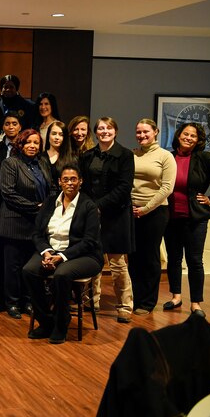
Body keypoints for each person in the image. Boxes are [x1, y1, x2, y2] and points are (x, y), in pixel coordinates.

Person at [23, 164, 103, 344]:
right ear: (59, 182)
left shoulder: (88, 206)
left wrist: (62, 257)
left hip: (84, 255)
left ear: (80, 181)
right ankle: (46, 321)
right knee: (29, 271)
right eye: (65, 179)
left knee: (61, 274)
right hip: (51, 251)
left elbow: (89, 241)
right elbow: (37, 233)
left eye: (73, 179)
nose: (69, 183)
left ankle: (61, 324)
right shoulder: (50, 202)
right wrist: (47, 252)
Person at [164, 122, 210, 318]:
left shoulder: (204, 157)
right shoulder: (168, 157)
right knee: (174, 259)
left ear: (198, 140)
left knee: (194, 261)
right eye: (185, 134)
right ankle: (176, 297)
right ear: (178, 135)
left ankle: (196, 303)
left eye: (193, 136)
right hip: (170, 217)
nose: (188, 138)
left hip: (195, 218)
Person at [79, 117, 135, 323]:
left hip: (116, 215)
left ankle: (124, 305)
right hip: (92, 215)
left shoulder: (125, 155)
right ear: (95, 132)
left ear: (116, 131)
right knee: (94, 259)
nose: (104, 131)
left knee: (118, 263)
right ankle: (90, 301)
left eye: (108, 128)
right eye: (100, 128)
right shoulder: (87, 156)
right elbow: (83, 185)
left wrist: (99, 205)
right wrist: (89, 208)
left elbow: (124, 187)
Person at [0, 128, 52, 319]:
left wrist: (45, 208)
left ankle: (29, 300)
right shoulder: (10, 163)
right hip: (15, 222)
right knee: (12, 267)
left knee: (31, 267)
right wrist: (36, 207)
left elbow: (50, 189)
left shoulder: (42, 163)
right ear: (20, 144)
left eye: (36, 143)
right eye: (28, 142)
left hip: (36, 224)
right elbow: (8, 194)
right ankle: (12, 303)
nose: (32, 146)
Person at [130, 118, 176, 315]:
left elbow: (167, 188)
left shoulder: (165, 156)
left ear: (156, 131)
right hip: (132, 211)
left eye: (146, 131)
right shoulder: (132, 154)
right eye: (138, 132)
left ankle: (148, 302)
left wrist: (146, 208)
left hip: (155, 212)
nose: (142, 135)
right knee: (133, 257)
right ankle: (136, 298)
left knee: (149, 257)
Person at [41, 119, 74, 194]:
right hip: (43, 200)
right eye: (54, 133)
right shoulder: (39, 157)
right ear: (48, 135)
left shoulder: (71, 158)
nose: (57, 137)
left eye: (61, 135)